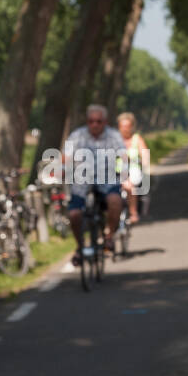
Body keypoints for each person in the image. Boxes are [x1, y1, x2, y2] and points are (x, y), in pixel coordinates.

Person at [65, 104, 124, 263]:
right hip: (82, 180)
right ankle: (80, 246)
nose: (95, 125)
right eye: (91, 121)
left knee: (115, 201)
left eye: (98, 121)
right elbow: (66, 157)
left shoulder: (113, 135)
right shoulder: (77, 135)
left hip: (107, 178)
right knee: (74, 214)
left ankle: (109, 236)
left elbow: (124, 156)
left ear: (105, 122)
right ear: (87, 121)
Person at [117, 111, 150, 223]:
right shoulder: (114, 139)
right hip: (116, 170)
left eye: (127, 126)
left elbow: (144, 153)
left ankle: (133, 212)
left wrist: (145, 164)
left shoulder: (137, 139)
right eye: (122, 126)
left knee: (129, 186)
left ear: (131, 127)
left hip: (133, 169)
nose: (125, 129)